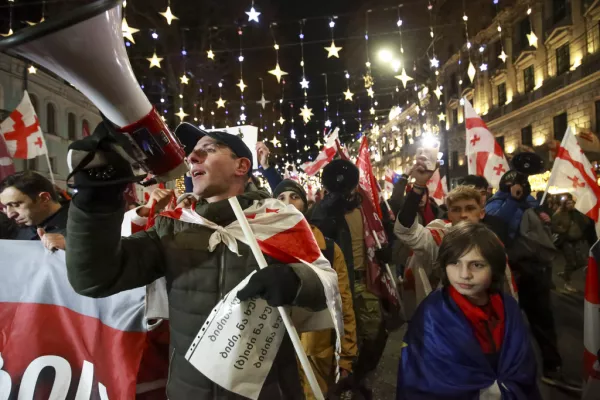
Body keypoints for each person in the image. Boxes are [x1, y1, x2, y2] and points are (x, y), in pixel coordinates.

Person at [65, 122, 333, 399]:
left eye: (208, 150)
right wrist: (96, 200)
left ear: (241, 166)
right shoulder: (172, 227)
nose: (192, 158)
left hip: (269, 391)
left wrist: (297, 280)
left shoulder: (280, 219)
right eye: (192, 153)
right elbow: (95, 279)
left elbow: (327, 285)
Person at [397, 223, 540, 399]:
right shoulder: (431, 315)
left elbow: (524, 366)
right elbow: (421, 379)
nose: (464, 274)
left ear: (494, 267)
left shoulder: (508, 308)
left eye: (477, 265)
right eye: (455, 263)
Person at [486, 171, 579, 391]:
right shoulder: (494, 205)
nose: (521, 187)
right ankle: (508, 375)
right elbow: (497, 230)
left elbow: (540, 233)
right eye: (517, 184)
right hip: (511, 273)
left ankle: (552, 368)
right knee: (509, 327)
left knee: (543, 320)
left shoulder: (529, 204)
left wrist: (543, 218)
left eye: (523, 184)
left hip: (535, 272)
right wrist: (512, 200)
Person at [307, 159, 386, 398]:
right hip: (339, 284)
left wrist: (384, 251)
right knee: (344, 335)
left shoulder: (366, 210)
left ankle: (357, 376)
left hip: (365, 281)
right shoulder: (321, 213)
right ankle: (344, 381)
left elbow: (382, 234)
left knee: (374, 334)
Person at [273, 179, 357, 399]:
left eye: (294, 197)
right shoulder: (263, 248)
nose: (288, 203)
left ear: (305, 204)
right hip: (278, 355)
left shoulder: (327, 249)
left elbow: (344, 302)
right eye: (281, 198)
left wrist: (346, 354)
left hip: (318, 353)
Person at [0, 171, 68, 251]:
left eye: (15, 205)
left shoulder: (81, 231)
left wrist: (73, 247)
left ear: (44, 198)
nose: (9, 214)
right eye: (6, 206)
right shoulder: (15, 228)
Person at [552, 195, 596, 292]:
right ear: (564, 205)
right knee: (570, 262)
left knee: (581, 261)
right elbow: (554, 226)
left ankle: (566, 273)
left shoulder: (577, 213)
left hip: (578, 240)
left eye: (571, 203)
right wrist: (563, 230)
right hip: (566, 241)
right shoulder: (560, 214)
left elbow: (587, 223)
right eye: (568, 203)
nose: (570, 205)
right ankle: (567, 282)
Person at [459, 175, 509, 244]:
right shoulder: (455, 222)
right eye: (474, 192)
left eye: (483, 193)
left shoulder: (498, 225)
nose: (479, 197)